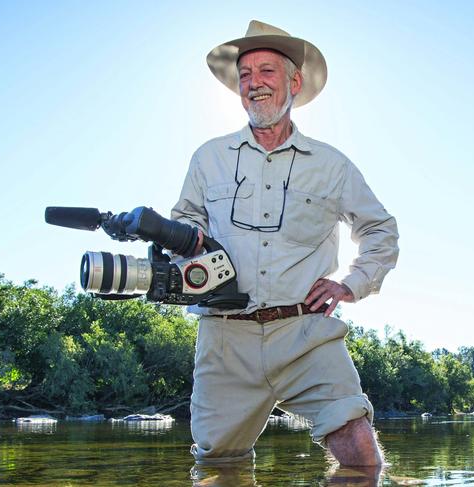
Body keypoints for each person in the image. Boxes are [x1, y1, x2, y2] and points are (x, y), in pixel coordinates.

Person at [171, 20, 399, 466]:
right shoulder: (208, 158)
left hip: (305, 332)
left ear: (294, 82)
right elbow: (183, 228)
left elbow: (380, 231)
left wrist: (350, 285)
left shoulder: (332, 165)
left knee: (361, 455)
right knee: (218, 466)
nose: (254, 84)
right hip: (224, 337)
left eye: (267, 72)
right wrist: (187, 251)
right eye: (245, 75)